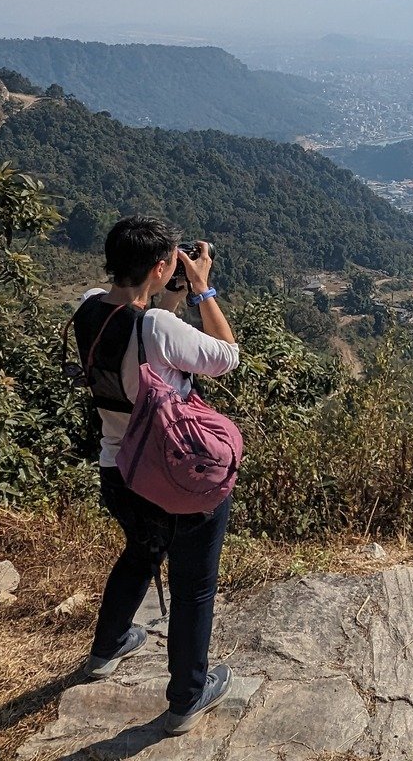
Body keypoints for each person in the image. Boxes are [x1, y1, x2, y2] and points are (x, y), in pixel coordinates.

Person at [74, 215, 242, 736]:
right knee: (193, 586)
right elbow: (227, 356)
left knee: (141, 553)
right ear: (160, 265)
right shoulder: (158, 327)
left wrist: (163, 290)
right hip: (172, 475)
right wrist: (202, 288)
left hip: (117, 471)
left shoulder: (87, 306)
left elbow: (144, 339)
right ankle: (188, 698)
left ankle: (108, 648)